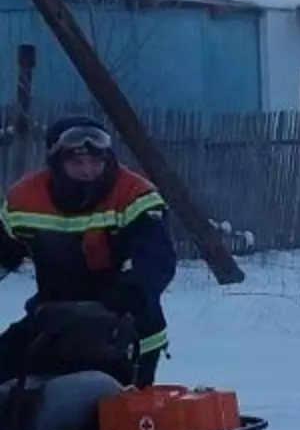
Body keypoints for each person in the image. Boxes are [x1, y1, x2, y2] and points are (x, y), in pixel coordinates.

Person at [0, 115, 176, 388]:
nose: (88, 170)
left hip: (125, 325)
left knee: (110, 419)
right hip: (53, 323)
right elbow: (4, 252)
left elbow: (155, 258)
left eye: (96, 161)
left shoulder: (135, 194)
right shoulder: (25, 199)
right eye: (77, 162)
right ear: (56, 163)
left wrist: (128, 294)